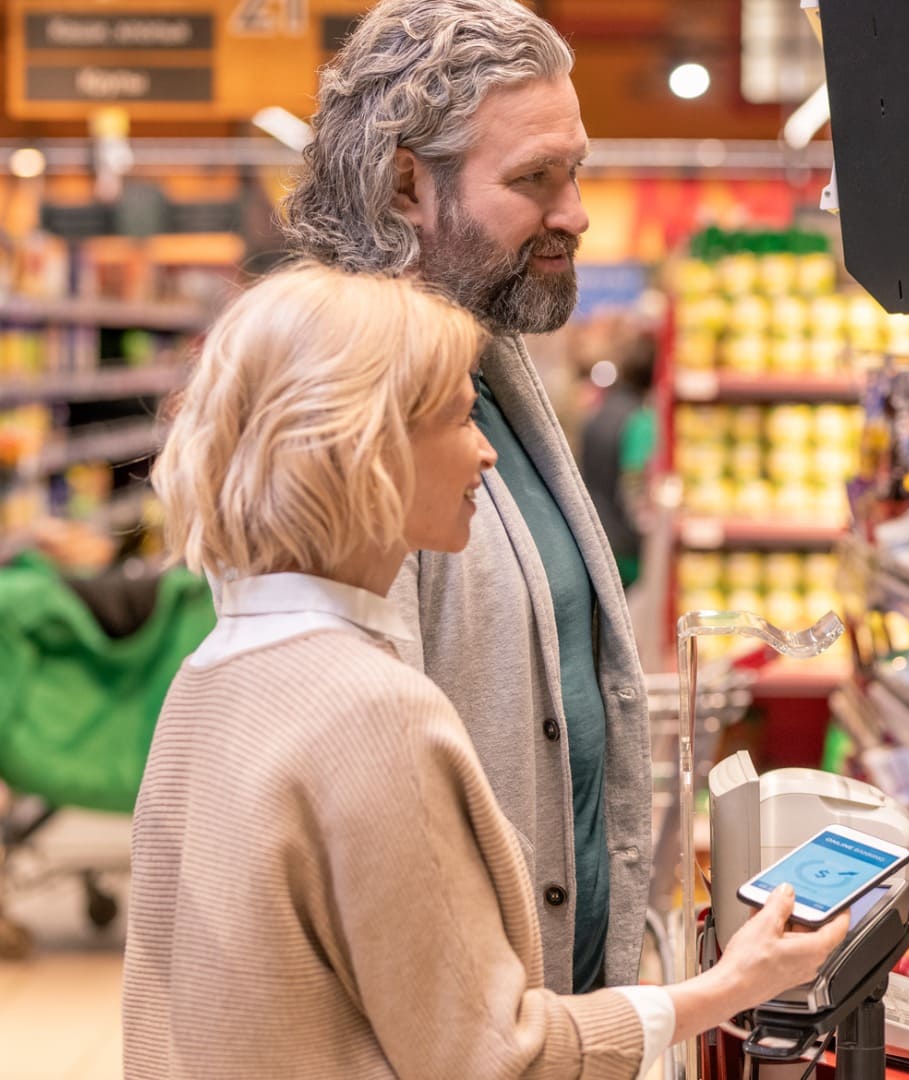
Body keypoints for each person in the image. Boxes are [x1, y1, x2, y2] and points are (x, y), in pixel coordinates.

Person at [127, 263, 846, 1079]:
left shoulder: (209, 676)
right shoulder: (376, 714)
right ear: (373, 444)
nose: (487, 454)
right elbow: (498, 1058)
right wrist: (726, 987)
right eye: (463, 418)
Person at [281, 0, 646, 995]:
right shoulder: (345, 417)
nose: (574, 213)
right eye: (533, 179)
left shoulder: (487, 366)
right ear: (407, 184)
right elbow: (362, 818)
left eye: (576, 172)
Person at [579, 332, 661, 589]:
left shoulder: (600, 410)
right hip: (622, 546)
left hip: (592, 531)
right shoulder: (640, 420)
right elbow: (633, 481)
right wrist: (648, 529)